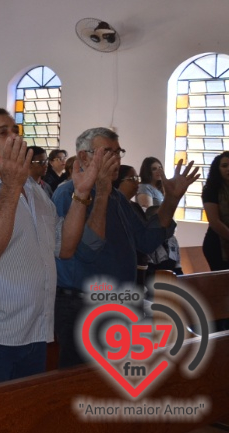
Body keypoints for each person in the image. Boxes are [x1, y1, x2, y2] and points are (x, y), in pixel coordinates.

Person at [0, 108, 110, 388]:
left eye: (15, 131)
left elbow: (65, 247)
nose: (14, 138)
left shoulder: (33, 190)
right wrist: (11, 186)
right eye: (3, 132)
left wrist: (81, 194)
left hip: (35, 327)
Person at [52, 128, 198, 368]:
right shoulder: (68, 194)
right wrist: (101, 194)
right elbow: (88, 251)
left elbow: (146, 241)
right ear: (84, 157)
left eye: (118, 152)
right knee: (81, 385)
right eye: (107, 152)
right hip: (83, 305)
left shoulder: (117, 198)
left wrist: (171, 200)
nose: (116, 159)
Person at [137, 156, 181, 273]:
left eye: (160, 168)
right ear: (147, 171)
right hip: (156, 234)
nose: (158, 171)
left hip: (166, 234)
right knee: (160, 268)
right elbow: (149, 213)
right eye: (154, 169)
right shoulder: (145, 187)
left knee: (172, 269)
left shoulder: (160, 190)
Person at [202, 151, 229, 271]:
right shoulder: (211, 189)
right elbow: (214, 222)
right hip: (217, 243)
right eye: (224, 166)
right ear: (217, 169)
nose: (228, 169)